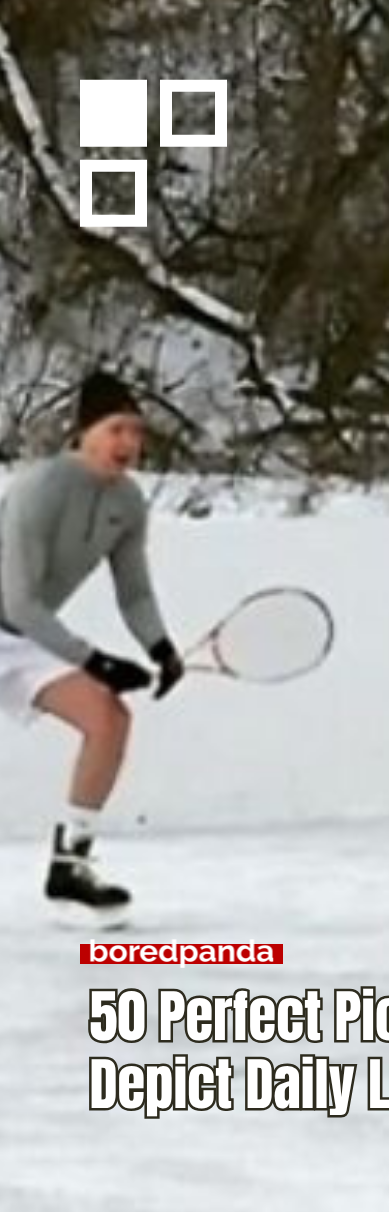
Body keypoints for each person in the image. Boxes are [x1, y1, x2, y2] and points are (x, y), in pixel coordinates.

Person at [0, 371, 185, 917]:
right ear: (84, 432)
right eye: (115, 428)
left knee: (109, 718)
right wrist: (95, 659)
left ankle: (71, 864)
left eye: (136, 430)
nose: (127, 442)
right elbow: (21, 602)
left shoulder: (128, 502)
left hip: (18, 638)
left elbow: (134, 591)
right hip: (19, 618)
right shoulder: (40, 490)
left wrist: (160, 648)